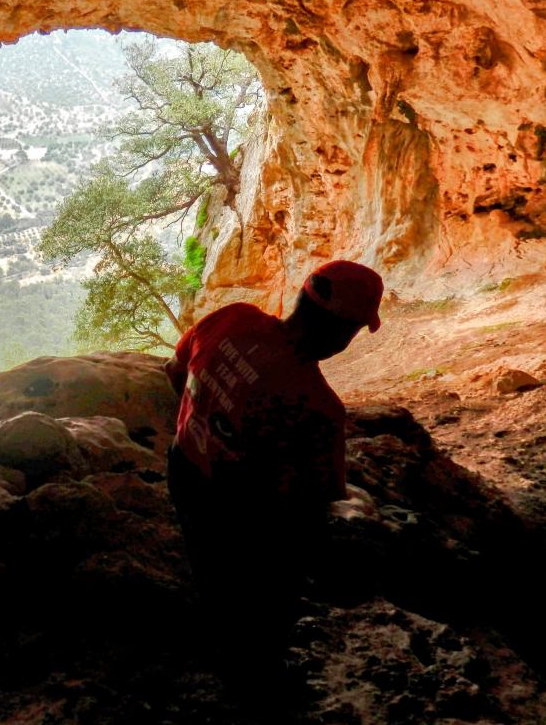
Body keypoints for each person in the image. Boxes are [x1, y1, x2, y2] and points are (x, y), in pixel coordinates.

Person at [164, 260, 384, 666]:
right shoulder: (317, 407)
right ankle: (255, 673)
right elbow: (313, 504)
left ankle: (218, 633)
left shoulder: (232, 318)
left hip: (184, 467)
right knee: (261, 608)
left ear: (299, 297)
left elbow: (176, 372)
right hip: (245, 518)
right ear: (343, 334)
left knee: (207, 567)